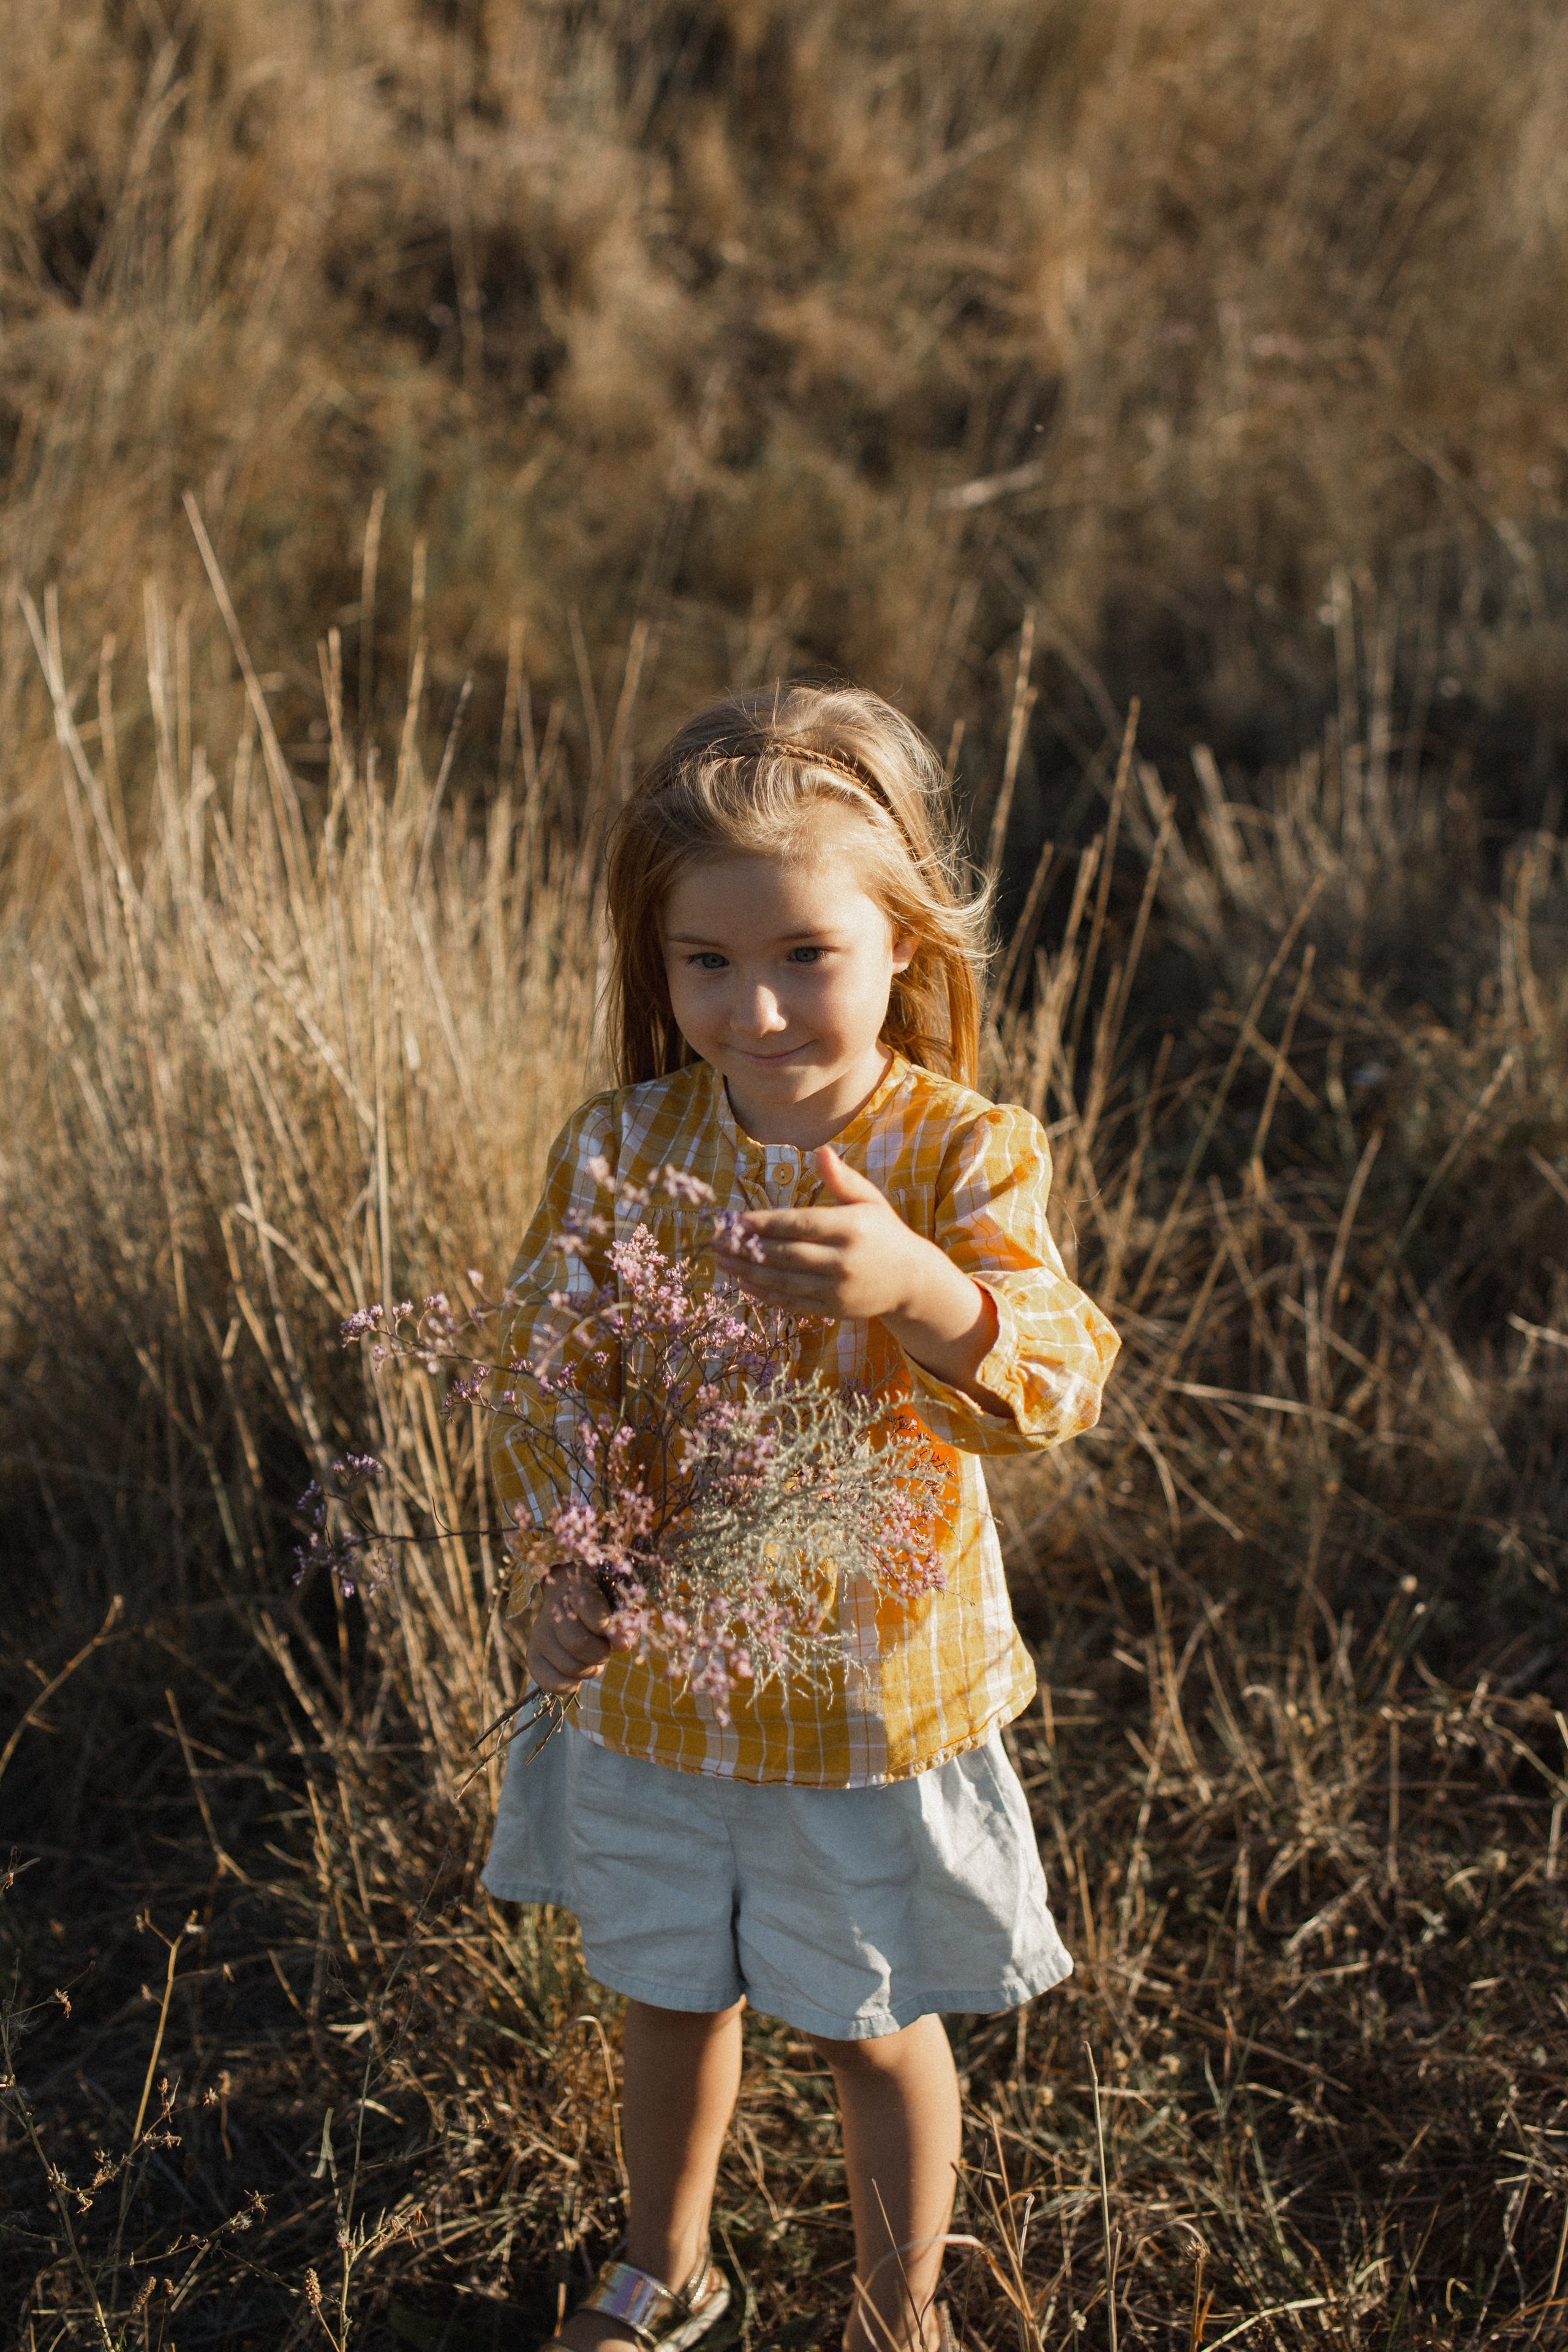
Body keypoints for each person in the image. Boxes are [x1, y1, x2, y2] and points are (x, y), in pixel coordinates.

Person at [482, 684, 1119, 2352]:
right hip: (660, 1693)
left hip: (865, 1703)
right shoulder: (628, 1148)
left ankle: (893, 2313)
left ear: (904, 943)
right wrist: (574, 1562)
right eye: (707, 962)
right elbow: (544, 1379)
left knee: (871, 2026)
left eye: (805, 957)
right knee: (665, 2000)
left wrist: (923, 1291)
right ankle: (663, 2271)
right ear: (659, 958)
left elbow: (1055, 1380)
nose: (756, 1010)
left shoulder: (958, 1152)